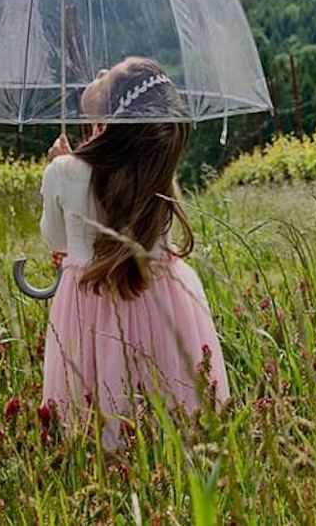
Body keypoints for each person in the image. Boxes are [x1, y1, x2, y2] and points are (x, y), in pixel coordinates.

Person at [39, 56, 229, 447]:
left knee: (94, 395)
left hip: (88, 303)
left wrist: (61, 167)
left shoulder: (63, 171)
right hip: (160, 297)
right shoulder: (156, 170)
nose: (97, 75)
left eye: (105, 76)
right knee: (165, 393)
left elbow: (55, 241)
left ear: (113, 107)